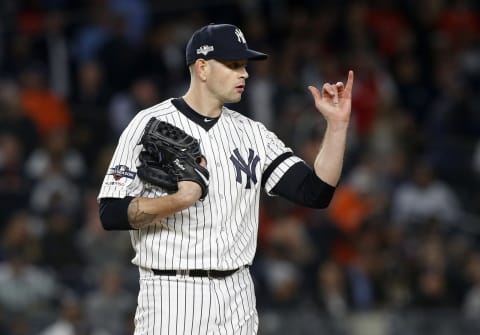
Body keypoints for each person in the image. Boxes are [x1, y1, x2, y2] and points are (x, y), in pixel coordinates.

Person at [98, 23, 354, 334]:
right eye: (233, 65)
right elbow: (110, 212)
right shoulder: (148, 124)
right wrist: (178, 200)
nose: (244, 74)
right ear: (202, 68)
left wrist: (337, 127)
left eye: (244, 66)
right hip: (172, 293)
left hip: (238, 295)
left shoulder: (253, 133)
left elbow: (315, 192)